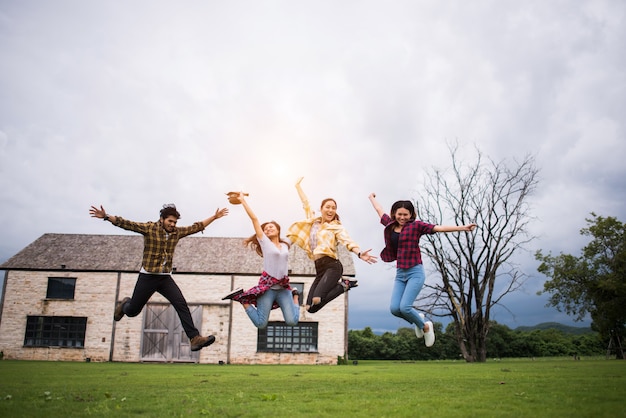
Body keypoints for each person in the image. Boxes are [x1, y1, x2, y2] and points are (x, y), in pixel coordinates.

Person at [89, 203, 229, 351]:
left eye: (175, 222)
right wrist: (106, 216)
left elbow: (196, 227)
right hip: (148, 276)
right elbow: (127, 224)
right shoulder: (149, 228)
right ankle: (124, 305)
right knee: (133, 311)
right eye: (170, 221)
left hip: (164, 278)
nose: (173, 225)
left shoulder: (176, 233)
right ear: (161, 219)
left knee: (181, 303)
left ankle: (194, 338)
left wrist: (214, 217)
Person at [368, 193, 477, 347]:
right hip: (400, 273)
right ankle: (419, 319)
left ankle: (425, 326)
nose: (402, 217)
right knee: (394, 309)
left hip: (415, 272)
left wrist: (463, 228)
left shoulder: (416, 226)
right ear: (395, 214)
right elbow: (379, 210)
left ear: (411, 214)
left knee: (405, 307)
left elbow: (439, 228)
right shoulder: (390, 224)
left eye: (406, 215)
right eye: (400, 214)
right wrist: (372, 198)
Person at [287, 177, 377, 313]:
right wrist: (298, 187)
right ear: (321, 209)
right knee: (309, 308)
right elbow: (306, 204)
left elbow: (348, 241)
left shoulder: (336, 227)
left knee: (317, 299)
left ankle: (343, 285)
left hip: (332, 266)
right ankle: (342, 286)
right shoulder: (313, 222)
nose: (330, 210)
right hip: (319, 269)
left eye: (333, 208)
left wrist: (359, 253)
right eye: (327, 207)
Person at [221, 192, 300, 329]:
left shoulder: (286, 243)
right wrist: (243, 201)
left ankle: (295, 295)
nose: (268, 229)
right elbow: (254, 219)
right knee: (260, 323)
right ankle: (241, 298)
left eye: (271, 227)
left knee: (292, 321)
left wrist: (313, 219)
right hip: (267, 288)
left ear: (278, 230)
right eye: (265, 228)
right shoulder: (265, 242)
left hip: (283, 289)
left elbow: (299, 230)